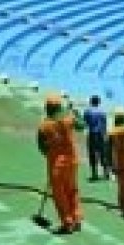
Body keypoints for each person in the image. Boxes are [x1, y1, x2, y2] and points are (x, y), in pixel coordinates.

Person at [36, 94, 82, 234]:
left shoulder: (43, 126)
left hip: (56, 164)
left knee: (59, 195)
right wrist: (75, 114)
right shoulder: (68, 120)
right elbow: (81, 126)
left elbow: (41, 147)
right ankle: (77, 219)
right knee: (72, 190)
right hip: (72, 162)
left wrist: (50, 156)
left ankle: (67, 223)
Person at [82, 95, 110, 181]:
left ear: (91, 101)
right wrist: (105, 135)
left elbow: (85, 123)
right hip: (101, 134)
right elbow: (104, 125)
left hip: (92, 133)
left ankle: (95, 173)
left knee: (92, 153)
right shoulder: (102, 112)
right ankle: (106, 173)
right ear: (99, 102)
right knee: (103, 154)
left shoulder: (87, 111)